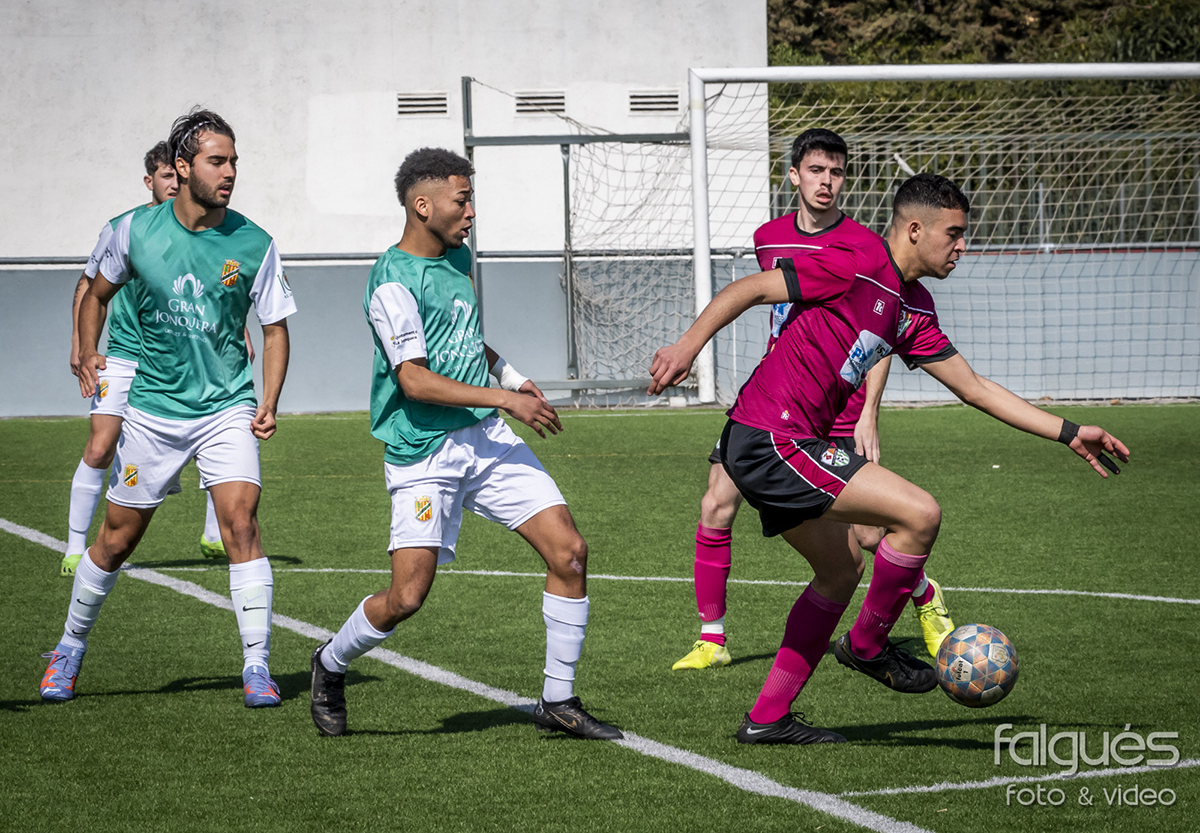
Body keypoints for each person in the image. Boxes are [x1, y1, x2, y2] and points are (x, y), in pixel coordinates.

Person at [650, 173, 1128, 745]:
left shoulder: (912, 306)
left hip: (783, 442)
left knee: (841, 570)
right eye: (954, 234)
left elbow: (974, 387)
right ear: (916, 229)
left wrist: (1068, 432)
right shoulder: (855, 261)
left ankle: (768, 718)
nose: (962, 246)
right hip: (771, 437)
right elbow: (750, 289)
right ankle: (866, 645)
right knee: (919, 514)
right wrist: (687, 346)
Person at [308, 147, 620, 740]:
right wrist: (506, 399)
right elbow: (414, 379)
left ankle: (558, 699)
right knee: (406, 597)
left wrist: (512, 378)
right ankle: (331, 660)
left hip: (484, 438)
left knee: (570, 552)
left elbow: (466, 337)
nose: (471, 211)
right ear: (423, 206)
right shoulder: (392, 281)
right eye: (462, 200)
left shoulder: (458, 256)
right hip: (424, 450)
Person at [40, 109, 296, 709]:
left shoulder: (255, 243)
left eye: (234, 161)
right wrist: (88, 351)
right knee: (117, 540)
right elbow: (95, 293)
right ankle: (69, 647)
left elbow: (275, 328)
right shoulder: (132, 231)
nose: (230, 172)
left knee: (242, 524)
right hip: (153, 410)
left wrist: (268, 399)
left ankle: (257, 665)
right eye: (217, 161)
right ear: (182, 168)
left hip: (226, 407)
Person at [672, 130, 953, 672]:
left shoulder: (864, 246)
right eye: (817, 170)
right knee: (715, 503)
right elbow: (769, 300)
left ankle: (923, 595)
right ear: (794, 175)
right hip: (777, 399)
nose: (827, 181)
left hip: (839, 403)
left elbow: (882, 334)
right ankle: (712, 639)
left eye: (837, 172)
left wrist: (870, 411)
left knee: (869, 532)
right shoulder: (769, 237)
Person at [63, 142, 254, 575]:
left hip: (182, 363)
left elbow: (217, 295)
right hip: (125, 356)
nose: (173, 182)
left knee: (219, 436)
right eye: (165, 175)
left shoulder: (207, 232)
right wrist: (81, 343)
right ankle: (75, 548)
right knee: (100, 446)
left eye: (176, 174)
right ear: (150, 180)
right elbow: (89, 285)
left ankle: (213, 534)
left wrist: (236, 331)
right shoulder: (125, 228)